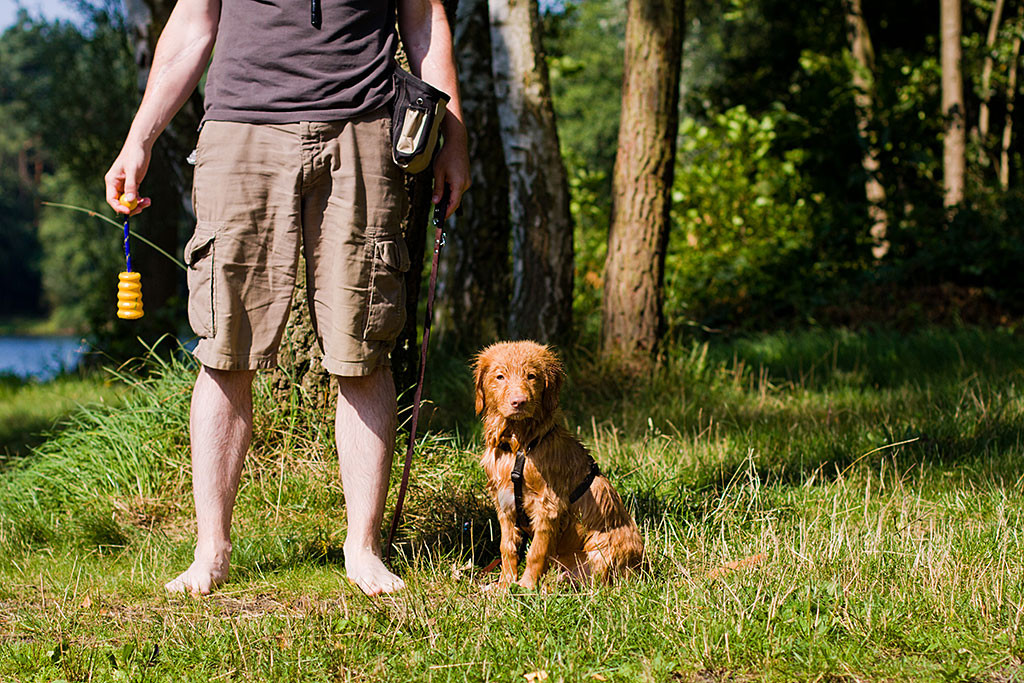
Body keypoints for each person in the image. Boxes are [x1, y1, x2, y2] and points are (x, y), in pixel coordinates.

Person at [104, 0, 470, 596]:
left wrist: (454, 136)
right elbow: (193, 25)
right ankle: (210, 550)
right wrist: (138, 140)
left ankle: (364, 549)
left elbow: (425, 21)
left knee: (363, 349)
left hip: (365, 129)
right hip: (240, 132)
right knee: (225, 348)